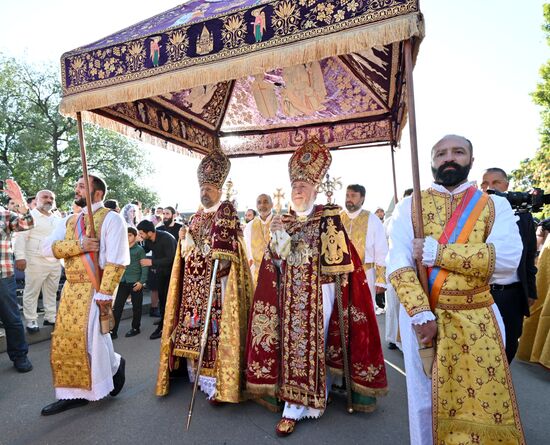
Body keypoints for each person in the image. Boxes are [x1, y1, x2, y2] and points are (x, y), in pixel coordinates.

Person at [387, 135, 524, 444]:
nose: (449, 158)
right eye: (441, 153)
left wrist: (439, 253)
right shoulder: (410, 205)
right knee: (426, 404)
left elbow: (506, 259)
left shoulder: (493, 205)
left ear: (471, 161)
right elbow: (397, 261)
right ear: (432, 161)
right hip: (424, 319)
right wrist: (421, 314)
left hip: (480, 316)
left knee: (484, 403)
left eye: (458, 152)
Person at [245, 139, 387, 436]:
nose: (298, 191)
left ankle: (297, 406)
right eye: (295, 186)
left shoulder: (327, 216)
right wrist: (279, 242)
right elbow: (276, 262)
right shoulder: (283, 221)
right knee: (292, 345)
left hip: (319, 293)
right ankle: (299, 395)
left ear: (316, 189)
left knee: (311, 343)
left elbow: (338, 261)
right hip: (289, 294)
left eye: (304, 186)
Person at [156, 148, 253, 404]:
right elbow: (189, 247)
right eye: (203, 188)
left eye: (210, 188)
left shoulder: (227, 212)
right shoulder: (197, 216)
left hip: (217, 284)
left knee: (214, 331)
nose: (205, 192)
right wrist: (183, 239)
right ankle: (196, 376)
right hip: (193, 285)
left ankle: (218, 383)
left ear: (220, 190)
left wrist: (219, 256)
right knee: (192, 326)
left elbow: (231, 250)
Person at [40, 174, 129, 416]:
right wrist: (79, 245)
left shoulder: (112, 219)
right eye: (77, 185)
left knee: (93, 341)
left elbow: (117, 260)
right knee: (66, 339)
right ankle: (72, 393)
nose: (76, 189)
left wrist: (105, 294)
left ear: (98, 193)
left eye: (82, 186)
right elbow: (47, 249)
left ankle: (105, 374)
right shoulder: (69, 221)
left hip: (94, 287)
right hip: (70, 289)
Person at [480, 167, 538, 363]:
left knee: (509, 346)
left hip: (512, 296)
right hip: (481, 293)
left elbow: (529, 256)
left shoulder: (523, 217)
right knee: (482, 346)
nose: (490, 188)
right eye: (485, 184)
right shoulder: (474, 218)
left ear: (506, 185)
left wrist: (531, 291)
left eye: (495, 183)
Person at [14, 190, 62, 333]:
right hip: (34, 259)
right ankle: (31, 320)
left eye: (51, 198)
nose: (48, 200)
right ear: (37, 199)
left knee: (52, 290)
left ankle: (50, 316)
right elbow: (20, 237)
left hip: (54, 260)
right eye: (45, 197)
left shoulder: (57, 218)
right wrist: (20, 257)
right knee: (32, 290)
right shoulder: (29, 216)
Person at [0, 179, 34, 373]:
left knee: (12, 319)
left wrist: (21, 202)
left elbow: (28, 224)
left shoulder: (4, 214)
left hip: (3, 276)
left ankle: (20, 356)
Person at [341, 185, 389, 315]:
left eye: (353, 196)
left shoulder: (372, 219)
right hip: (341, 276)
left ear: (362, 198)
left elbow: (381, 250)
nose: (349, 199)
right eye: (347, 195)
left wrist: (381, 279)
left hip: (366, 273)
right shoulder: (338, 218)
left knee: (364, 314)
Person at [136, 219, 176, 340]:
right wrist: (138, 243)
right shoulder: (148, 240)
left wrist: (151, 262)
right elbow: (145, 250)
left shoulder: (167, 239)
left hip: (171, 274)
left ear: (149, 232)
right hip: (160, 272)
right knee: (162, 298)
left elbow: (171, 259)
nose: (140, 235)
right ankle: (163, 319)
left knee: (167, 299)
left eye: (141, 233)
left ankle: (164, 327)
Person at [385, 188, 414, 350]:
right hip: (395, 269)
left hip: (414, 270)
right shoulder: (392, 220)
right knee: (394, 306)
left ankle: (406, 340)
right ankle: (392, 338)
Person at [111, 226, 148, 339]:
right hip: (123, 281)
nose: (127, 238)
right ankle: (113, 330)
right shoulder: (121, 249)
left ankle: (136, 328)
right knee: (118, 306)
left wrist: (141, 282)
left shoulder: (139, 250)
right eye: (125, 235)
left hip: (135, 282)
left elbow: (145, 266)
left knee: (137, 307)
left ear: (135, 236)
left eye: (130, 235)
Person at [243, 193, 273, 285]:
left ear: (272, 205)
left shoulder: (279, 223)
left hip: (276, 272)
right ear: (256, 206)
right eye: (259, 203)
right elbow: (247, 252)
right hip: (256, 274)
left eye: (265, 202)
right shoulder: (250, 226)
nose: (262, 205)